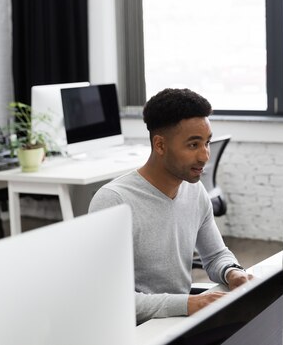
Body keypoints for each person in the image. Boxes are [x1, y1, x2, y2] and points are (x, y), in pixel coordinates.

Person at [89, 88, 252, 323]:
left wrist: (232, 272)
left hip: (177, 320)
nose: (205, 156)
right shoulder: (114, 202)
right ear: (160, 145)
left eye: (207, 143)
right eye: (193, 145)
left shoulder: (195, 191)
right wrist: (187, 303)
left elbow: (216, 255)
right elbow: (110, 299)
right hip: (135, 329)